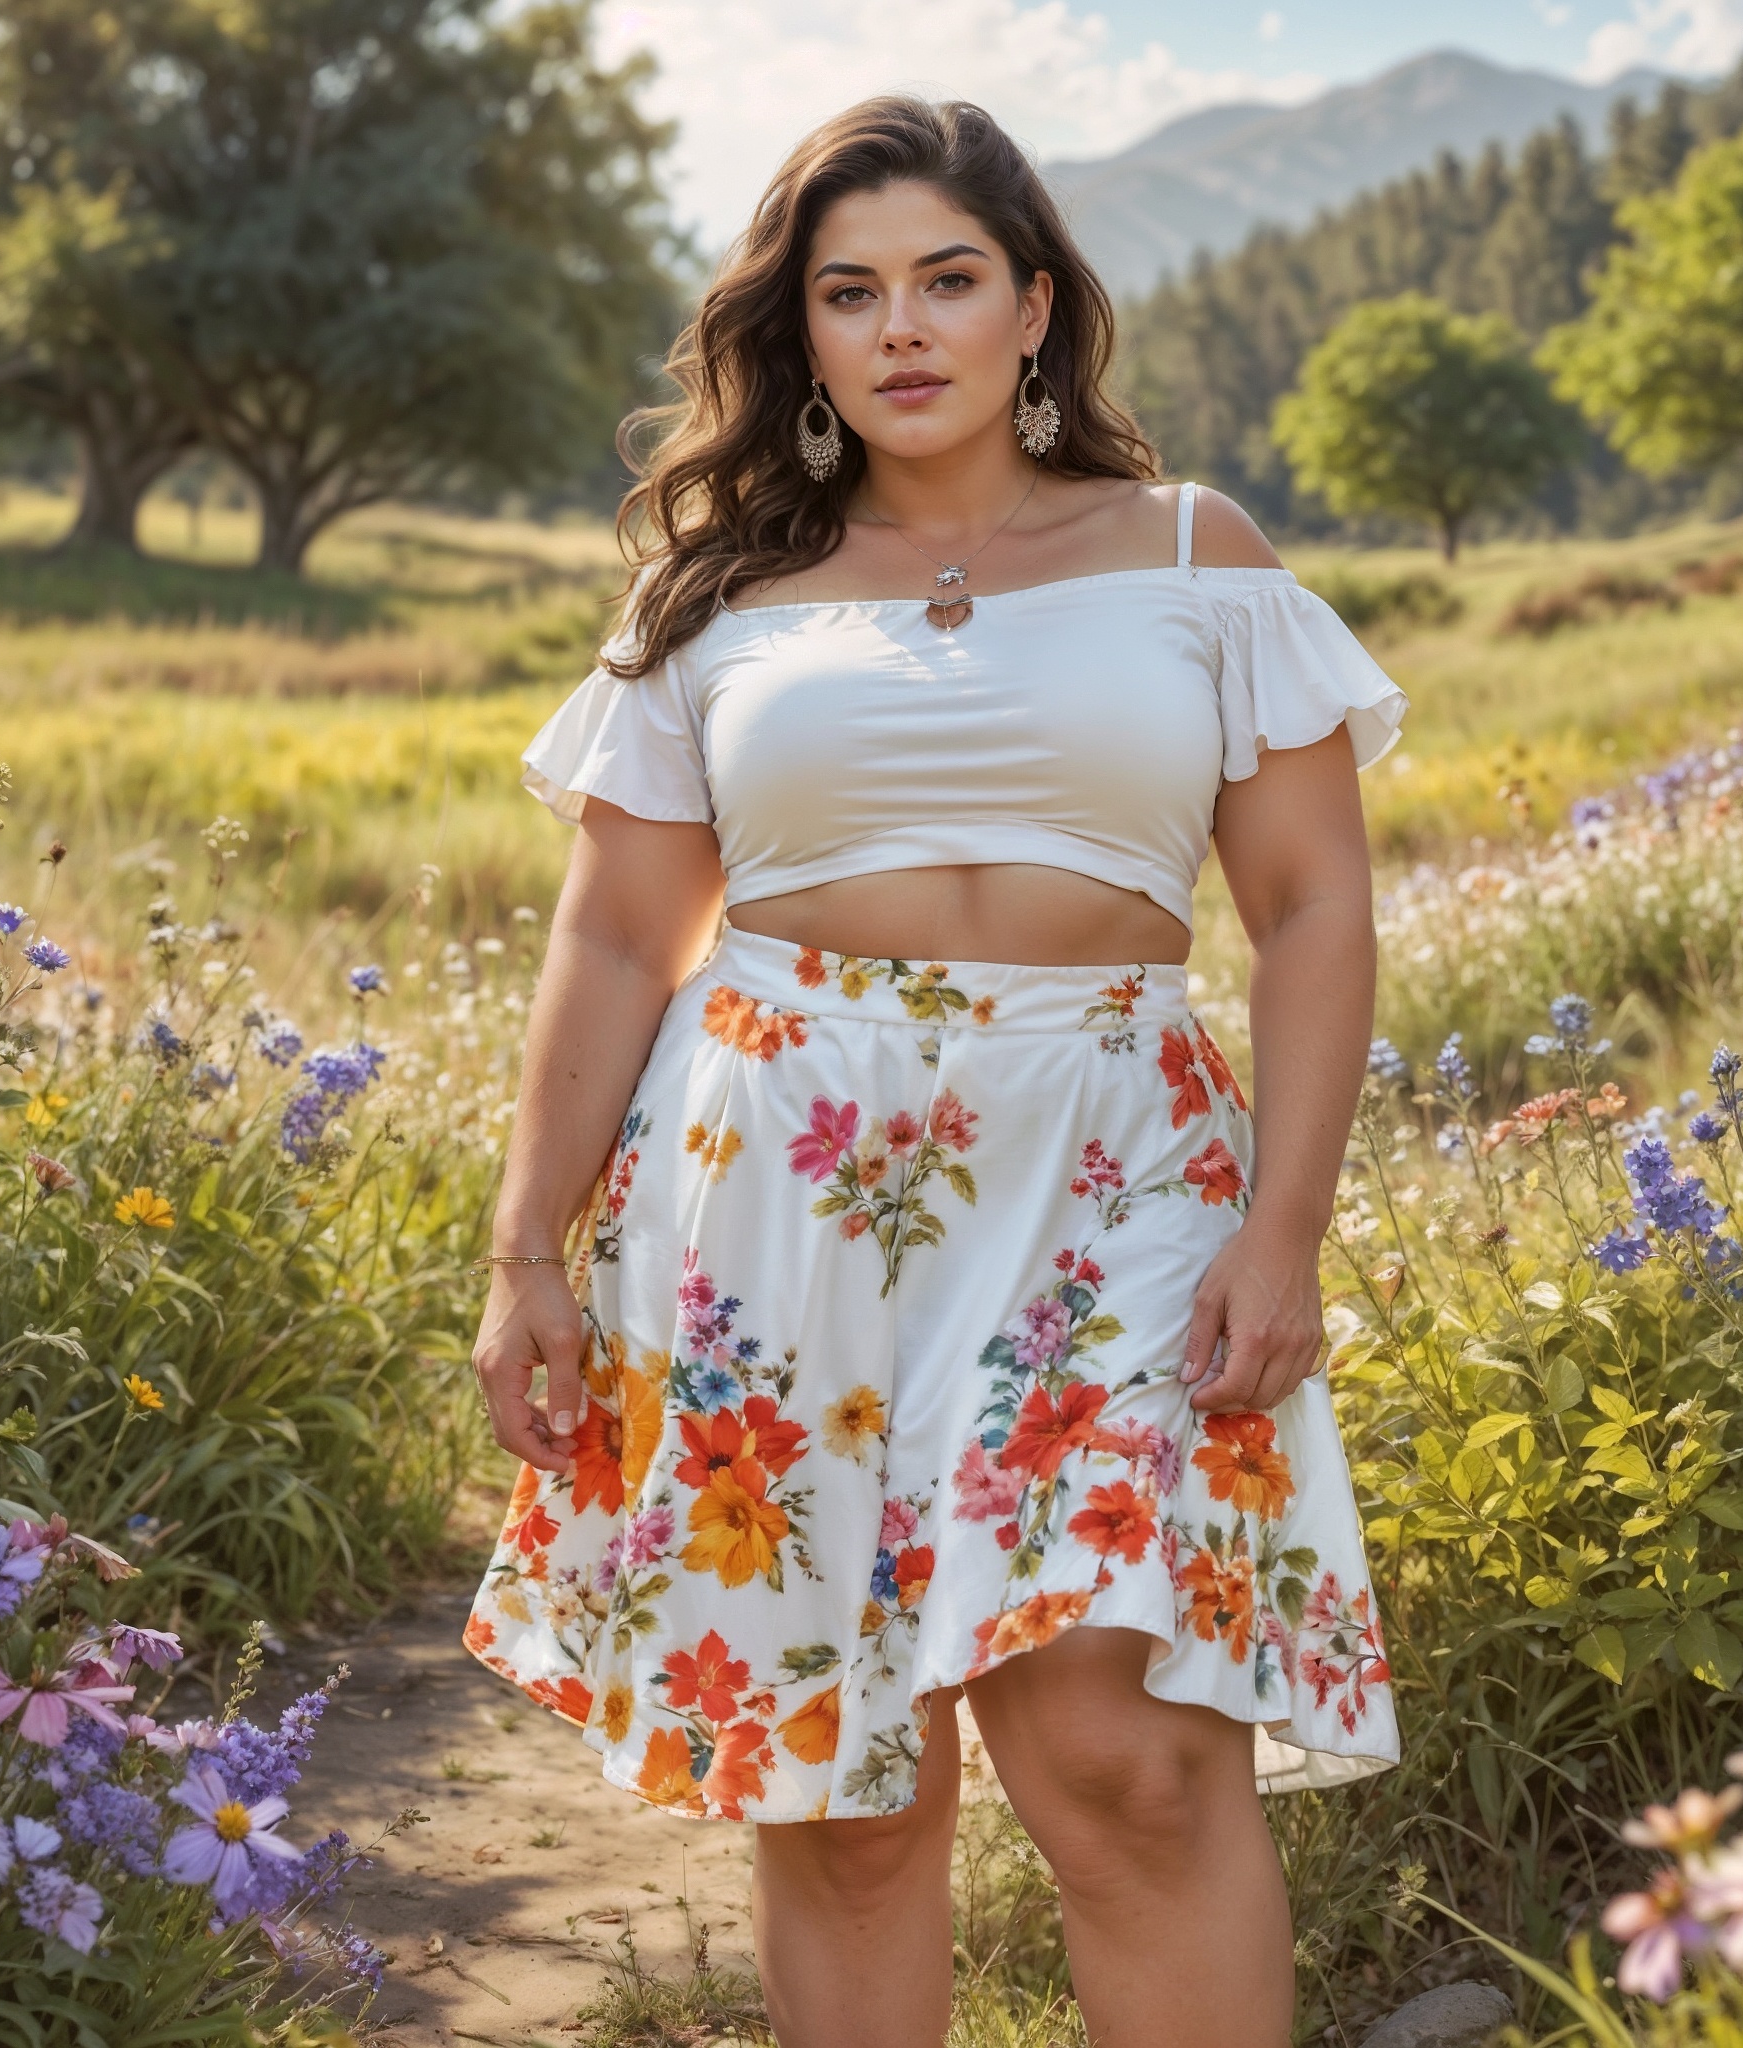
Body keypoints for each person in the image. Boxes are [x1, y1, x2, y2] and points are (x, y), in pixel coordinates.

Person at [465, 94, 1404, 2048]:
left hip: (1114, 1185)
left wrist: (1285, 1227)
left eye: (947, 280)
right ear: (795, 334)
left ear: (1034, 308)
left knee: (1129, 1766)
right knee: (845, 1794)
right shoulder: (708, 599)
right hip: (773, 1204)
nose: (901, 327)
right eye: (850, 289)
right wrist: (523, 1252)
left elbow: (1309, 909)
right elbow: (621, 937)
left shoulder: (1190, 554)